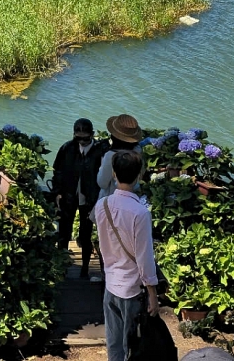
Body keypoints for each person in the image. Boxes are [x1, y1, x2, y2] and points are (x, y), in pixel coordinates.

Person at [92, 150, 159, 361]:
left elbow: (103, 243)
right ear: (139, 175)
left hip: (111, 282)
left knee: (114, 344)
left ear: (113, 173)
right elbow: (145, 257)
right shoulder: (140, 212)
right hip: (131, 288)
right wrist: (153, 294)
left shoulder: (101, 205)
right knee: (132, 346)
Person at [52, 118, 108, 280]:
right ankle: (61, 268)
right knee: (64, 232)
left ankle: (84, 269)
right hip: (68, 196)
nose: (82, 141)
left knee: (86, 234)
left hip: (89, 198)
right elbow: (58, 171)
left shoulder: (100, 152)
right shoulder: (67, 149)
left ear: (92, 134)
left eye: (85, 138)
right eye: (78, 138)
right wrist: (57, 192)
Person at [98, 114, 144, 199]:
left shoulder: (110, 155)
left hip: (111, 198)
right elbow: (141, 175)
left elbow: (102, 183)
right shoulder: (138, 151)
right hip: (133, 197)